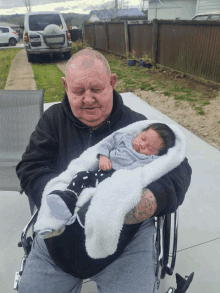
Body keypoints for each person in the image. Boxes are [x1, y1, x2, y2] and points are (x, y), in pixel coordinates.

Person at [16, 48, 192, 293]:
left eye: (96, 89)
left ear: (112, 82)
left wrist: (148, 202)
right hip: (59, 234)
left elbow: (178, 168)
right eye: (78, 91)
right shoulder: (53, 120)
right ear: (65, 86)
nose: (88, 99)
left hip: (124, 235)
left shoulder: (137, 126)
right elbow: (30, 166)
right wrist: (59, 196)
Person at [43, 122, 176, 239]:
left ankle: (85, 217)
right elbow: (106, 143)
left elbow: (146, 171)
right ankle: (68, 198)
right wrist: (103, 157)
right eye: (143, 138)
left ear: (155, 154)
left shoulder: (149, 160)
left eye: (149, 148)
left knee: (101, 198)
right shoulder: (124, 138)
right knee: (81, 176)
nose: (142, 145)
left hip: (114, 180)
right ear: (140, 133)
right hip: (101, 170)